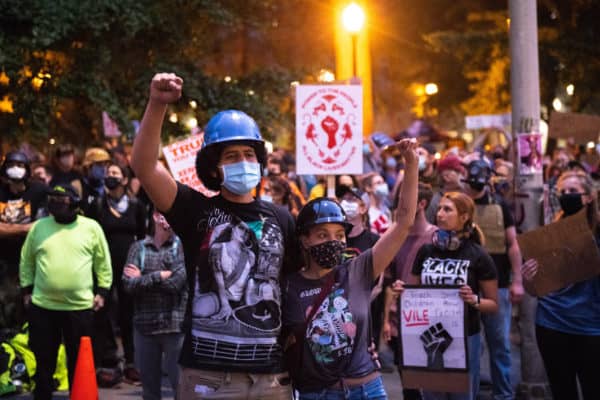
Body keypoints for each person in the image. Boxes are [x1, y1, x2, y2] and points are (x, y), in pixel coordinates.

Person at [131, 72, 297, 399]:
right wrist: (157, 103)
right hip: (209, 378)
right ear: (213, 168)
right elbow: (144, 165)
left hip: (271, 379)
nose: (243, 162)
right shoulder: (195, 210)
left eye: (249, 154)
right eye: (231, 156)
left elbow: (290, 284)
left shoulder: (281, 218)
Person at [281, 138, 418, 399]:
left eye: (339, 234)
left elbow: (403, 222)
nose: (333, 241)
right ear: (304, 239)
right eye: (322, 234)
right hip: (316, 394)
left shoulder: (359, 270)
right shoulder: (287, 285)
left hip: (367, 390)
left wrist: (411, 165)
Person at [19, 184, 112, 400]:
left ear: (74, 202)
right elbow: (27, 261)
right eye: (52, 198)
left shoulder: (91, 227)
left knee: (79, 363)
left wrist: (103, 291)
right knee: (43, 362)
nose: (56, 202)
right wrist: (26, 290)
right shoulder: (39, 227)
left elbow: (103, 263)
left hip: (80, 308)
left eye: (61, 198)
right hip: (43, 307)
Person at [406, 191, 498, 400]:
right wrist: (403, 292)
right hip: (428, 336)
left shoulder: (478, 255)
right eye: (439, 208)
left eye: (447, 209)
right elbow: (413, 292)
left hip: (465, 338)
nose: (439, 214)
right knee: (432, 395)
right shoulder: (426, 252)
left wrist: (473, 299)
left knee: (461, 396)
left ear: (464, 217)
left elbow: (493, 305)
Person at [522, 170, 600, 400]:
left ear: (589, 196)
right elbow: (534, 289)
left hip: (591, 327)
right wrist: (528, 277)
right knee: (562, 391)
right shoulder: (550, 233)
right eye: (562, 192)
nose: (567, 196)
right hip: (552, 323)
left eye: (573, 191)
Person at [463, 159, 523, 400]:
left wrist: (517, 279)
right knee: (469, 348)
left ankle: (503, 395)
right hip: (466, 288)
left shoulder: (500, 206)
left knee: (499, 345)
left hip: (496, 286)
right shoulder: (459, 205)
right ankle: (470, 393)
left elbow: (512, 244)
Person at [87, 162, 146, 384]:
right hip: (103, 268)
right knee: (103, 312)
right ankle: (108, 360)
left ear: (124, 179)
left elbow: (142, 237)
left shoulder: (136, 206)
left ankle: (132, 362)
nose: (109, 176)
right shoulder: (98, 205)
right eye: (107, 173)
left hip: (129, 268)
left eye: (114, 173)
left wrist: (140, 266)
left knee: (128, 314)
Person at [122, 211, 187, 400]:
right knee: (149, 391)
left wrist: (143, 278)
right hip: (144, 327)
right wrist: (160, 276)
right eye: (164, 215)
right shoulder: (138, 248)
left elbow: (177, 284)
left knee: (181, 388)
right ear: (156, 217)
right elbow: (128, 285)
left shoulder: (181, 247)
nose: (168, 220)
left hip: (175, 327)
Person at [382, 182, 437, 400]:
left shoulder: (436, 237)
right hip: (401, 320)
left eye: (404, 201)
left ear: (421, 204)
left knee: (432, 380)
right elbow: (386, 282)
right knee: (409, 384)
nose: (399, 206)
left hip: (430, 319)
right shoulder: (394, 236)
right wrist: (386, 319)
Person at [0, 151, 47, 330]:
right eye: (11, 165)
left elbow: (41, 226)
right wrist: (24, 228)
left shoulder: (39, 191)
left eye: (20, 165)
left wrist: (8, 228)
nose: (15, 169)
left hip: (33, 261)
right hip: (4, 264)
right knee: (7, 314)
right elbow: (31, 227)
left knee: (33, 312)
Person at [425, 154, 465, 224]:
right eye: (458, 172)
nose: (463, 175)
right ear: (446, 176)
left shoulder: (465, 195)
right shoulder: (435, 201)